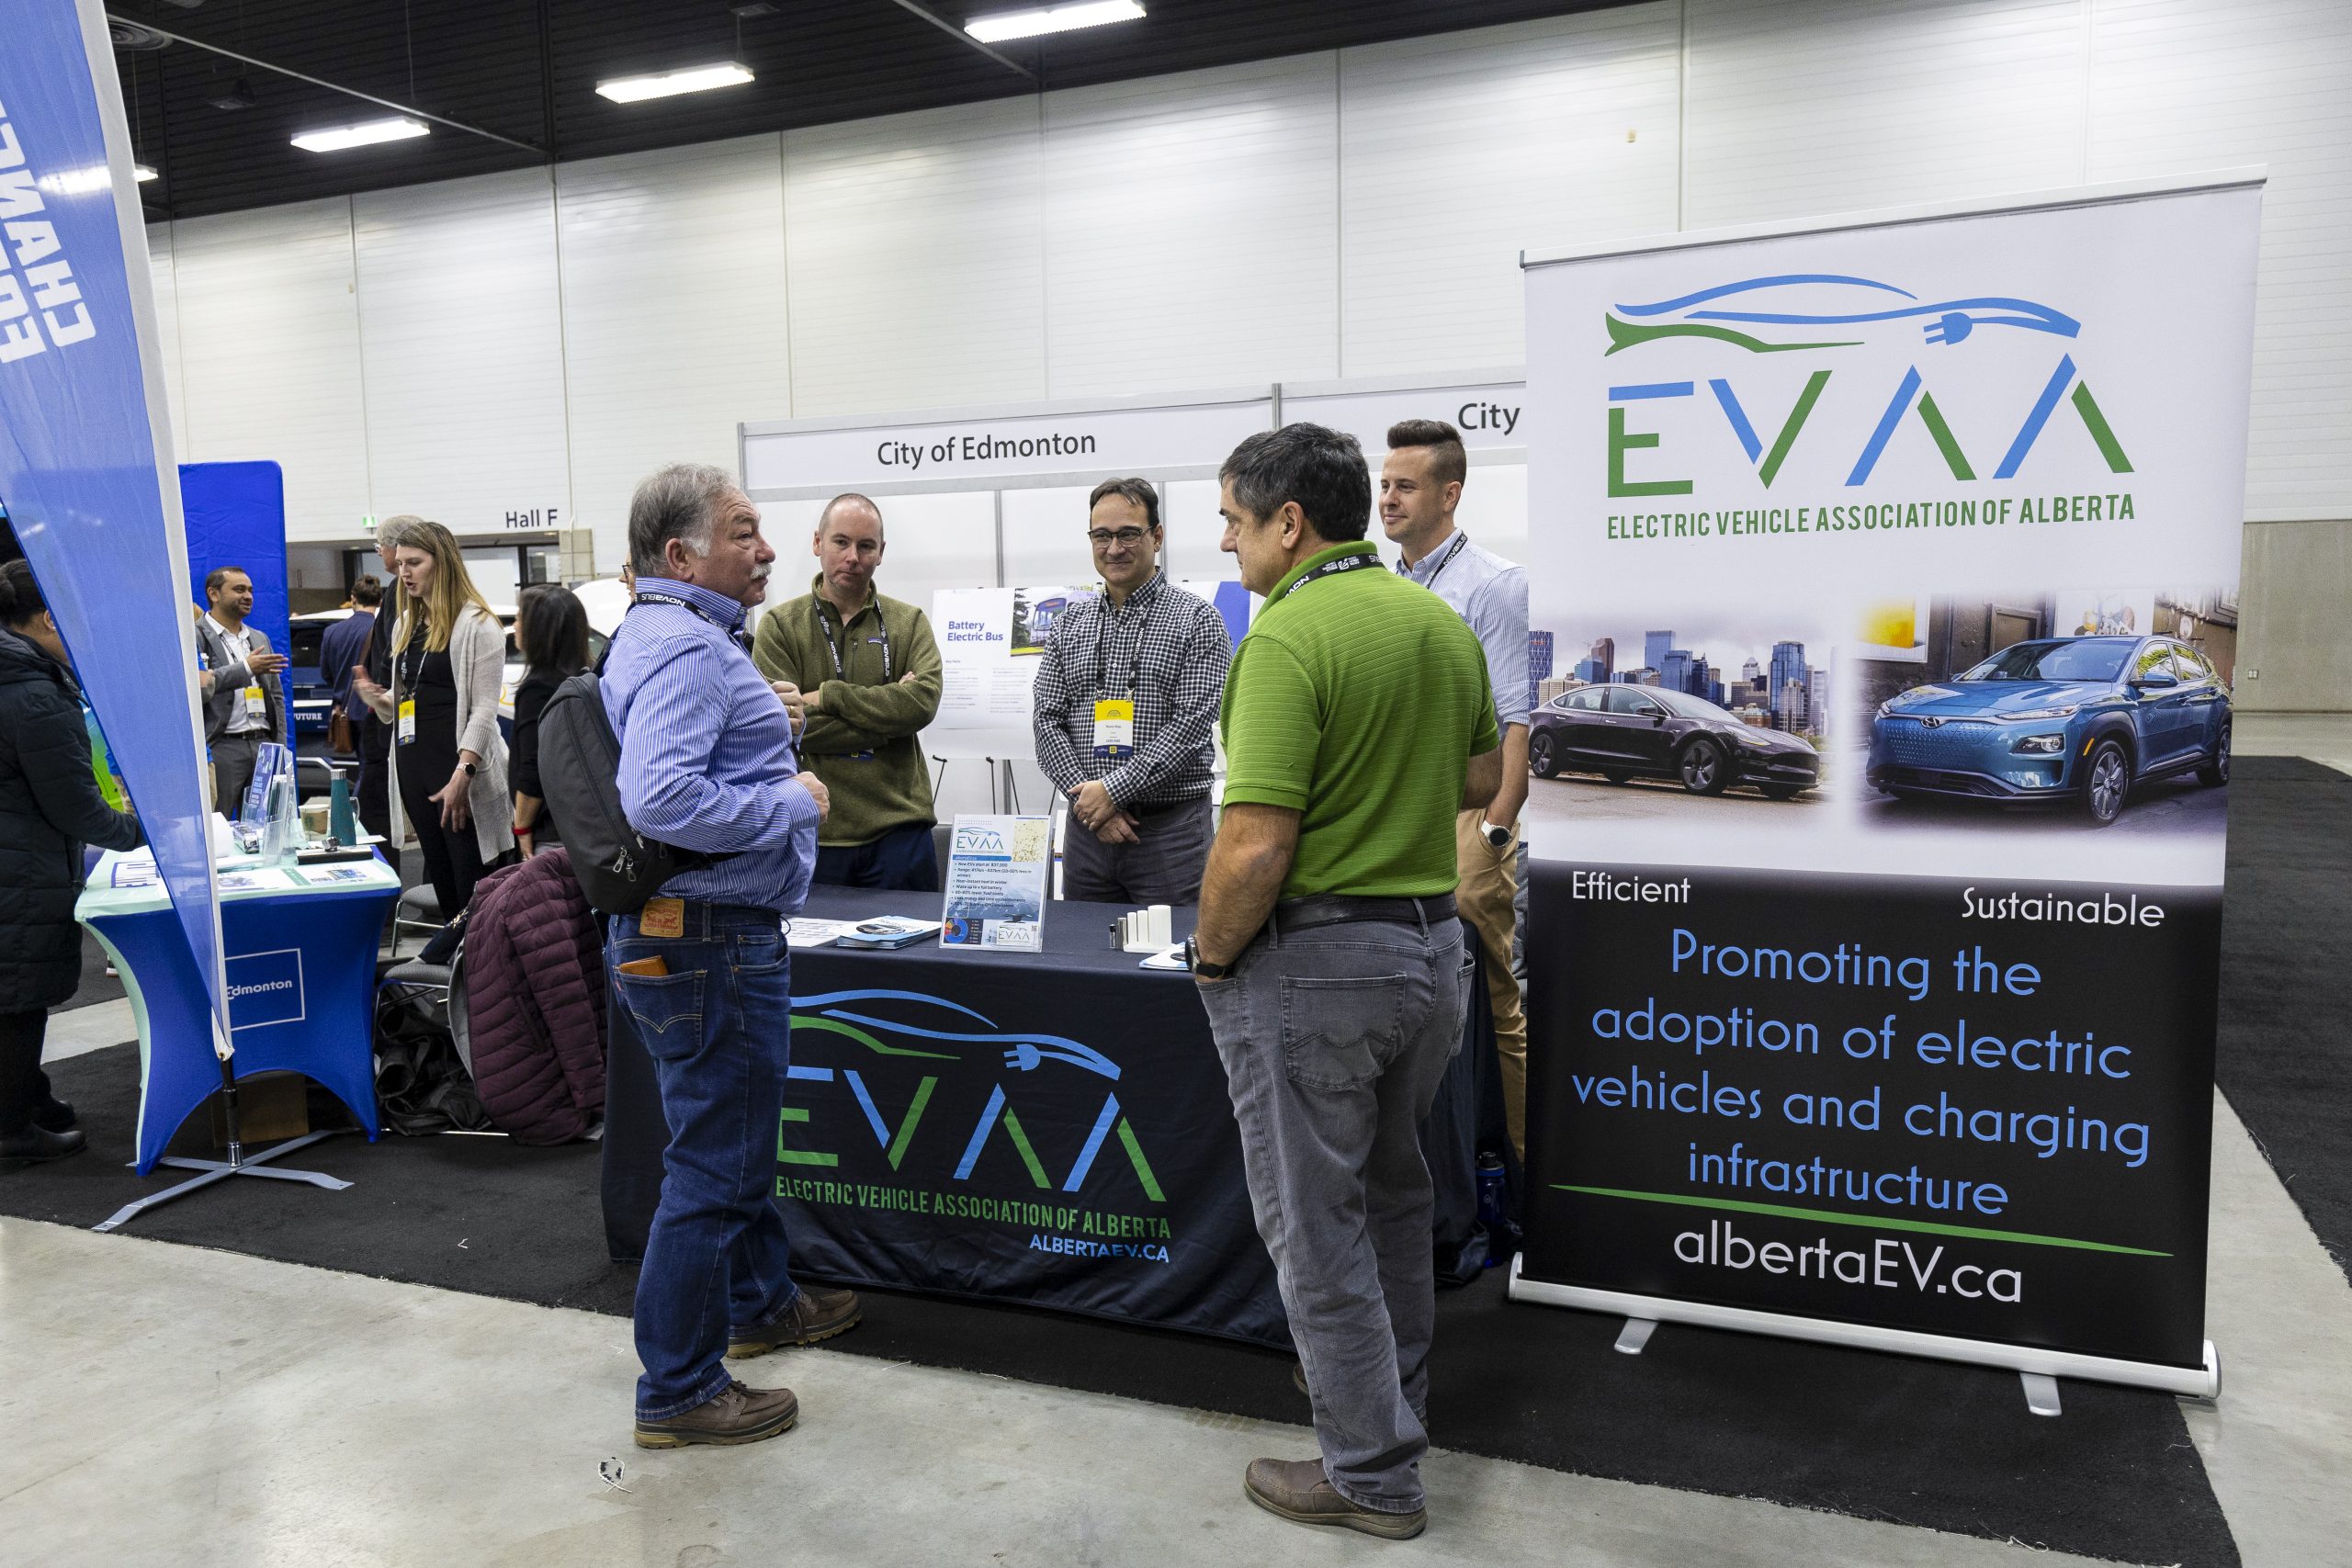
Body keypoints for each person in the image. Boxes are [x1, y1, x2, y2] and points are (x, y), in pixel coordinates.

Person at [1188, 423, 1499, 1540]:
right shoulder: (1435, 621)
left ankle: (1370, 1473)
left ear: (1288, 522)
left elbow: (1254, 847)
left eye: (1232, 520)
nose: (1225, 542)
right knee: (1390, 1202)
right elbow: (1479, 774)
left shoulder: (1284, 636)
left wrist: (1211, 956)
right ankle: (1388, 1417)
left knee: (1315, 1225)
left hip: (1318, 963)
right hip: (1429, 951)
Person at [602, 462, 858, 1449]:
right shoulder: (688, 649)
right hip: (709, 940)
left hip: (692, 936)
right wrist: (787, 799)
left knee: (724, 1142)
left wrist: (768, 722)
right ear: (681, 554)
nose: (769, 548)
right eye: (744, 531)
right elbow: (661, 798)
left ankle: (759, 1303)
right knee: (718, 1162)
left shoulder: (672, 633)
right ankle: (677, 1388)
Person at [1382, 418, 1533, 1155]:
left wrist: (1495, 827)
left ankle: (1525, 1172)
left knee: (1498, 999)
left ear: (1450, 494)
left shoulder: (1496, 585)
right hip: (1401, 823)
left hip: (1471, 821)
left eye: (1405, 486)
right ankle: (1445, 1167)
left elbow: (1520, 717)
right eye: (1384, 485)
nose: (1388, 499)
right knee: (1416, 1000)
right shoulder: (1384, 588)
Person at [0, 560, 143, 1165]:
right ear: (49, 618)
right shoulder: (34, 692)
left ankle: (26, 1098)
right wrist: (142, 834)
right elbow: (74, 805)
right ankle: (11, 1130)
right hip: (21, 870)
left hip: (18, 860)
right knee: (18, 996)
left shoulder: (19, 677)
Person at [1032, 478, 1231, 905]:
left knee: (1175, 948)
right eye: (1101, 536)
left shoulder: (1198, 621)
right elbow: (1046, 721)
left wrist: (1112, 792)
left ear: (1156, 537)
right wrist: (1091, 803)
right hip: (1087, 834)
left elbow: (1190, 727)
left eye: (1127, 534)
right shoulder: (1068, 624)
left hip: (1170, 837)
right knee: (1083, 944)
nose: (1113, 548)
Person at [751, 493, 944, 890]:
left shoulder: (909, 622)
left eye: (866, 546)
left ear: (881, 552)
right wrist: (889, 722)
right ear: (817, 543)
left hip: (901, 830)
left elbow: (921, 704)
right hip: (815, 829)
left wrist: (827, 696)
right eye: (841, 542)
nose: (853, 557)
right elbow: (782, 725)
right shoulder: (780, 626)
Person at [354, 521, 514, 917]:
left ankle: (476, 955)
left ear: (441, 563)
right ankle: (456, 954)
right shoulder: (405, 624)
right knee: (444, 884)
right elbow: (410, 696)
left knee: (473, 889)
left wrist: (464, 773)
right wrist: (379, 699)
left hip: (458, 771)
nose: (404, 573)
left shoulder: (478, 625)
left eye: (414, 563)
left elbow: (484, 710)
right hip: (414, 768)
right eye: (400, 564)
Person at [194, 565, 288, 817]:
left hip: (263, 746)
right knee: (218, 823)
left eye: (250, 590)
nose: (248, 596)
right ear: (214, 594)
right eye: (239, 590)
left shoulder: (259, 638)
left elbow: (276, 697)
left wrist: (279, 746)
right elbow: (199, 688)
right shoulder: (195, 636)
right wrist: (246, 668)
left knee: (266, 824)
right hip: (222, 746)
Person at [355, 520, 423, 845]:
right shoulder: (400, 590)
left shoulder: (402, 591)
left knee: (376, 806)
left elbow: (396, 651)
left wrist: (380, 689)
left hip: (393, 713)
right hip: (390, 709)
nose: (380, 553)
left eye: (379, 546)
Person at [510, 582, 590, 856]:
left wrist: (521, 827)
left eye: (520, 618)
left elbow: (533, 767)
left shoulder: (538, 689)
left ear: (539, 629)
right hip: (582, 824)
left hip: (550, 831)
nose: (515, 626)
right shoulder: (585, 678)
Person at [318, 575, 380, 758]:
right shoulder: (381, 630)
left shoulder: (331, 632)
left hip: (343, 711)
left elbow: (326, 673)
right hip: (373, 711)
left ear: (353, 598)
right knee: (372, 766)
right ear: (379, 601)